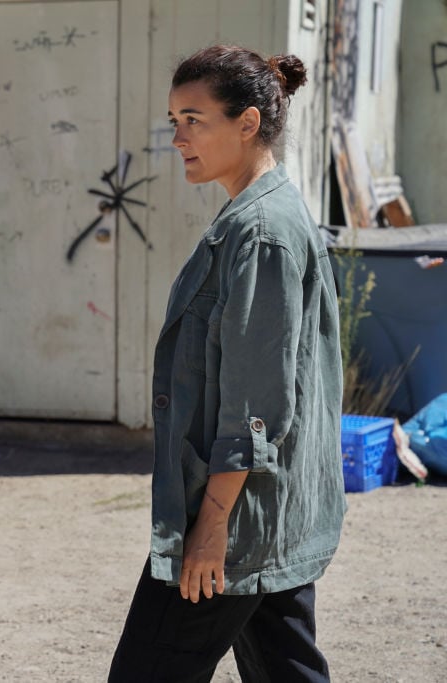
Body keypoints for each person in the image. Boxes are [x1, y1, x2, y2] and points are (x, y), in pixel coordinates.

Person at [108, 45, 346, 682]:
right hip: (271, 510)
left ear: (247, 124)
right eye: (173, 120)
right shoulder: (257, 214)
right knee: (286, 669)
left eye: (194, 119)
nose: (178, 137)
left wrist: (211, 527)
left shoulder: (261, 231)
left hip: (237, 519)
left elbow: (258, 403)